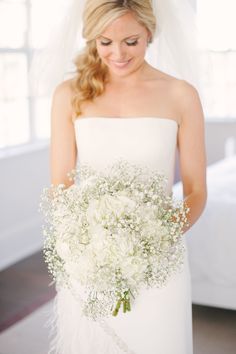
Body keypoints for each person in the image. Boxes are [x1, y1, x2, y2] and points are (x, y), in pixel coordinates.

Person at [47, 0, 207, 353]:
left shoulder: (181, 95)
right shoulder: (69, 95)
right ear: (92, 39)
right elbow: (61, 184)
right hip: (89, 259)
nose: (118, 53)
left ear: (149, 33)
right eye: (105, 42)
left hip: (160, 257)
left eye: (130, 41)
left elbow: (196, 190)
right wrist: (84, 246)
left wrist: (152, 238)